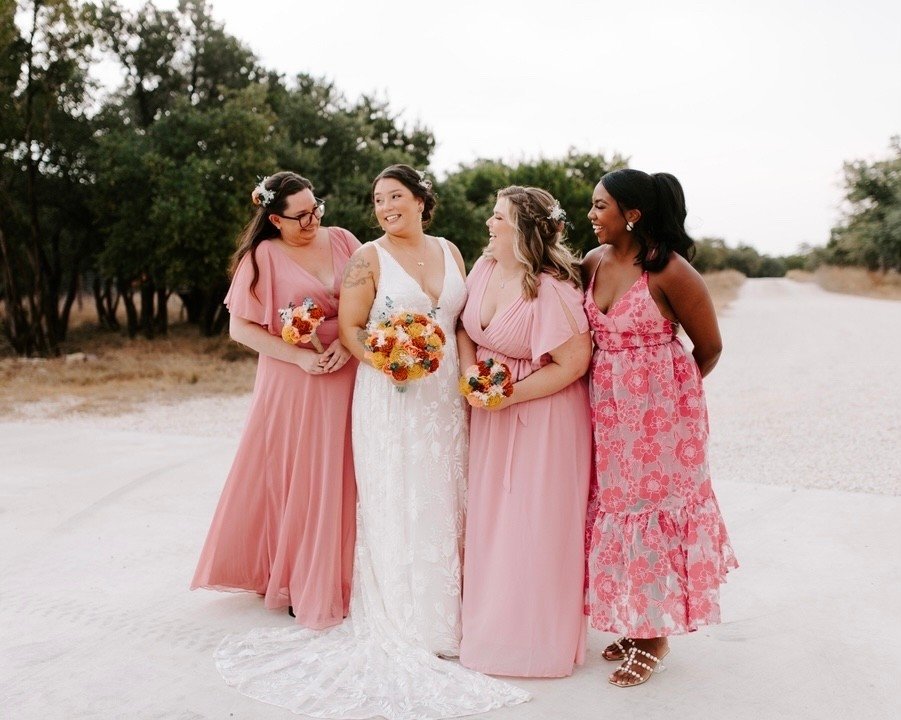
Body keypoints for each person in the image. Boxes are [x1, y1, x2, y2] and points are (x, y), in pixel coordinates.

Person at [212, 164, 529, 719]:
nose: (385, 207)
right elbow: (352, 326)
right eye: (378, 199)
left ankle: (460, 608)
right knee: (393, 495)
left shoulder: (451, 251)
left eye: (396, 196)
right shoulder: (359, 257)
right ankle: (404, 612)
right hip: (388, 390)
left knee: (448, 493)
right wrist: (388, 358)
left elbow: (459, 322)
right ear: (275, 218)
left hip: (444, 397)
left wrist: (471, 370)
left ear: (421, 200)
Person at [582, 168, 738, 687]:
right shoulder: (591, 263)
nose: (591, 214)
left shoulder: (670, 271)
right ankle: (635, 621)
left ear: (632, 214)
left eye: (600, 205)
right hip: (607, 413)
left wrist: (668, 398)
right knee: (616, 511)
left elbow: (709, 348)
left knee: (652, 514)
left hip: (662, 421)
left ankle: (654, 636)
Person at [191, 171, 359, 630]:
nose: (312, 220)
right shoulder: (261, 257)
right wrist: (300, 358)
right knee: (300, 474)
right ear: (275, 220)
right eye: (300, 215)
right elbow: (240, 329)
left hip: (348, 370)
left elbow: (371, 303)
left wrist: (349, 343)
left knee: (346, 471)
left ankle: (350, 572)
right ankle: (299, 576)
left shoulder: (344, 240)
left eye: (315, 208)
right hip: (292, 377)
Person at [457, 186, 592, 678]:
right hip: (491, 410)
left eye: (498, 217)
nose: (489, 224)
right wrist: (472, 377)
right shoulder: (484, 268)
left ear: (523, 229)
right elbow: (464, 330)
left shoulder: (553, 289)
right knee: (493, 519)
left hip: (542, 415)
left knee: (532, 522)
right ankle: (492, 626)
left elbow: (573, 363)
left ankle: (534, 641)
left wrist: (509, 394)